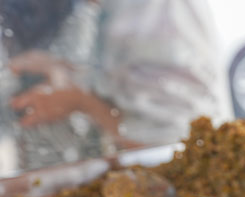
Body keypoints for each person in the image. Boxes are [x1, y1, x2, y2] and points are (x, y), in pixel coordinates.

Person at [0, 0, 221, 174]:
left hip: (171, 196)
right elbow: (116, 78)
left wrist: (79, 99)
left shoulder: (156, 9)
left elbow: (169, 144)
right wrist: (64, 71)